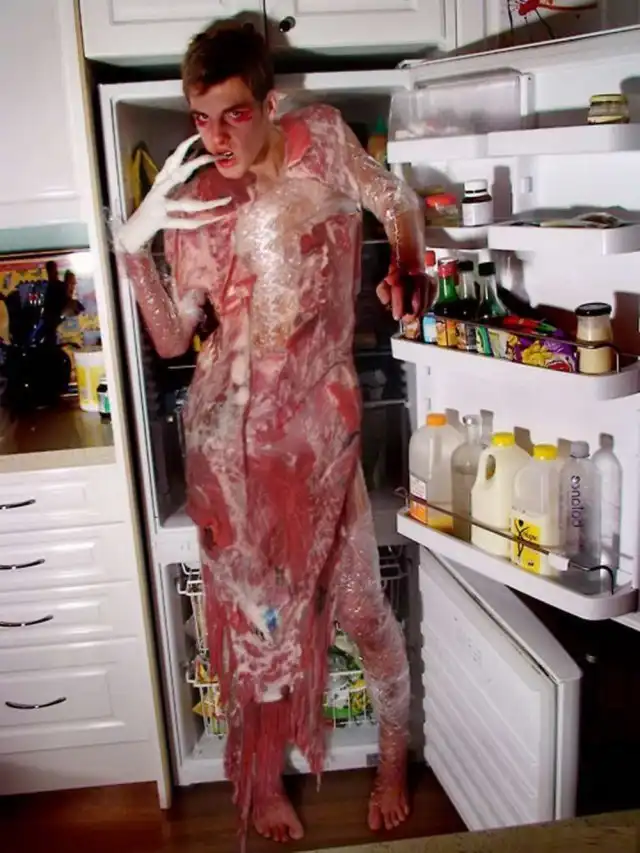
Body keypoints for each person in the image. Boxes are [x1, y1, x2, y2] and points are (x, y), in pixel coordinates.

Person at [115, 19, 425, 843]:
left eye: (234, 114)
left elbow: (393, 198)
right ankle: (261, 779)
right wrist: (131, 248)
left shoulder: (319, 143)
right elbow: (175, 338)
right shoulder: (194, 206)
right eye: (200, 118)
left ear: (271, 104)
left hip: (324, 435)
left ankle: (393, 757)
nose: (216, 137)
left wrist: (409, 259)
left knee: (361, 608)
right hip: (233, 447)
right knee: (260, 631)